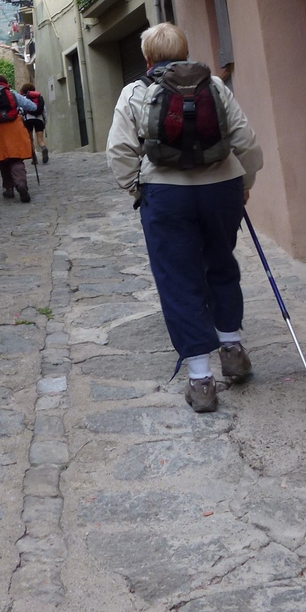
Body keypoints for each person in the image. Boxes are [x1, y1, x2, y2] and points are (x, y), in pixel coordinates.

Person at [106, 23, 263, 413]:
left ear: (147, 58)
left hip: (165, 196)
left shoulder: (135, 92)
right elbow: (246, 141)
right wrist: (244, 182)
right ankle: (232, 351)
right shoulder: (215, 86)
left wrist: (138, 189)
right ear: (186, 51)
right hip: (221, 189)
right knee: (221, 265)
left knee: (178, 281)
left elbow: (120, 151)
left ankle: (201, 381)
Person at [0, 74, 38, 203]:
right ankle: (20, 183)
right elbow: (32, 107)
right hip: (15, 128)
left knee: (3, 160)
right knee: (16, 158)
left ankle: (9, 189)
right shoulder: (12, 94)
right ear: (6, 83)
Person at [19, 82, 48, 163]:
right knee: (40, 139)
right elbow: (44, 111)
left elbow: (21, 110)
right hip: (39, 119)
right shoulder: (39, 97)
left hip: (28, 119)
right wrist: (45, 121)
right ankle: (44, 149)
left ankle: (34, 158)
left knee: (30, 139)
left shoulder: (24, 98)